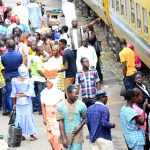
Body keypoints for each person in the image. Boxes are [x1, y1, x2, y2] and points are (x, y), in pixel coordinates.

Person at [10, 64, 37, 141]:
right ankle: (31, 135)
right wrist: (23, 94)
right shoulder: (29, 80)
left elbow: (14, 94)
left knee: (19, 118)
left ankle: (21, 135)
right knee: (28, 117)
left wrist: (14, 104)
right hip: (27, 101)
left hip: (18, 102)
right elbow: (30, 92)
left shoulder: (14, 80)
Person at [57, 84, 87, 150]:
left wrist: (80, 126)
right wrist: (63, 138)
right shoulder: (60, 105)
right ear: (68, 94)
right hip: (66, 134)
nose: (77, 96)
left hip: (77, 134)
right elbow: (60, 122)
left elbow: (85, 118)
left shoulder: (82, 105)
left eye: (78, 94)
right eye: (75, 94)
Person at [41, 80, 64, 150]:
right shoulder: (44, 92)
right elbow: (42, 106)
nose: (46, 84)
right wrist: (44, 117)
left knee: (57, 135)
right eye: (46, 82)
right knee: (50, 136)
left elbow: (63, 106)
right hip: (48, 116)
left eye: (48, 82)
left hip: (57, 116)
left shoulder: (59, 93)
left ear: (53, 83)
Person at [1, 39, 22, 115]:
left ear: (7, 46)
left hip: (8, 75)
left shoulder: (3, 56)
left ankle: (10, 110)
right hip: (17, 75)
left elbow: (4, 65)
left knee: (9, 93)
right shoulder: (19, 55)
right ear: (14, 46)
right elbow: (20, 63)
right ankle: (17, 108)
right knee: (18, 92)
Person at [29, 46, 46, 114]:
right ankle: (40, 110)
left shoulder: (32, 58)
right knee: (40, 95)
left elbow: (30, 68)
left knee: (34, 94)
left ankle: (32, 108)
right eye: (42, 50)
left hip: (33, 78)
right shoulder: (38, 59)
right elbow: (39, 70)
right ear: (38, 52)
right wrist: (45, 76)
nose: (43, 52)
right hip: (39, 79)